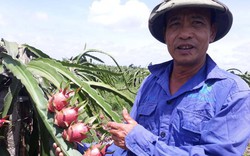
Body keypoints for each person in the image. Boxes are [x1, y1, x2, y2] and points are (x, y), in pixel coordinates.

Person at [55, 0, 250, 155]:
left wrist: (137, 140)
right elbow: (124, 147)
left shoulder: (233, 94)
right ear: (166, 35)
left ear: (212, 32)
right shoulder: (151, 83)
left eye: (197, 23)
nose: (184, 34)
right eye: (175, 24)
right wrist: (80, 149)